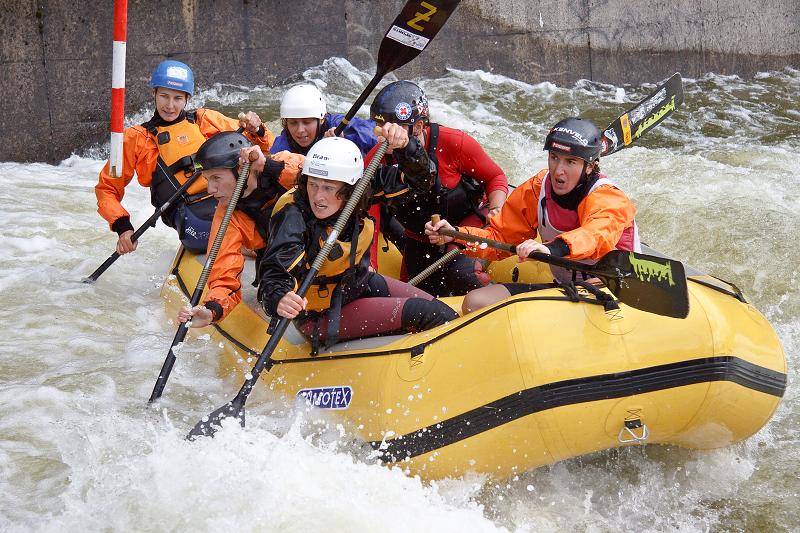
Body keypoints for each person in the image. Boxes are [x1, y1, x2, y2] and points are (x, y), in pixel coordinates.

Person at [258, 129, 459, 352]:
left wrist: (407, 147)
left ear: (349, 188)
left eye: (328, 188)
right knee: (427, 315)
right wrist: (279, 298)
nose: (318, 196)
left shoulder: (362, 189)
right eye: (313, 184)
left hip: (357, 283)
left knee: (443, 312)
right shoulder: (293, 216)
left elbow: (423, 181)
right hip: (319, 315)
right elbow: (276, 270)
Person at [425, 117, 641, 314]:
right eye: (554, 157)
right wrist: (457, 235)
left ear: (589, 167)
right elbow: (500, 236)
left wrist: (550, 248)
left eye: (570, 162)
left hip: (611, 291)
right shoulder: (538, 188)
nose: (558, 171)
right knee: (475, 302)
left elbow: (596, 235)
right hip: (565, 290)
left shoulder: (607, 196)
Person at [95, 59, 275, 255]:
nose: (170, 105)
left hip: (227, 198)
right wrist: (123, 227)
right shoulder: (137, 138)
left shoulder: (204, 120)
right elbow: (107, 189)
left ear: (187, 98)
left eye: (178, 98)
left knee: (273, 220)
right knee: (227, 239)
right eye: (164, 96)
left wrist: (257, 128)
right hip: (187, 211)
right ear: (153, 93)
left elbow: (264, 145)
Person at [368, 80, 509, 297]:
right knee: (415, 298)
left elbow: (496, 177)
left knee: (461, 273)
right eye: (382, 127)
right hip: (421, 238)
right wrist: (370, 269)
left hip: (466, 224)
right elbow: (371, 222)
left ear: (418, 126)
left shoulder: (454, 143)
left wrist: (496, 208)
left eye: (395, 128)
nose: (386, 136)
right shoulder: (376, 160)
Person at [176, 131, 303, 328]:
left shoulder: (280, 164)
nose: (210, 189)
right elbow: (224, 270)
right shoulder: (227, 213)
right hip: (278, 266)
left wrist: (268, 167)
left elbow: (320, 179)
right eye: (207, 179)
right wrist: (212, 310)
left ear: (241, 169)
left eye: (216, 177)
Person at [269, 84, 377, 156]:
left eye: (307, 122)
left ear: (321, 119)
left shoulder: (338, 124)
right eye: (293, 123)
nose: (300, 130)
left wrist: (346, 138)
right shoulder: (282, 145)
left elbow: (372, 133)